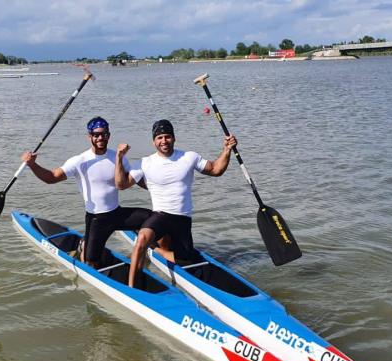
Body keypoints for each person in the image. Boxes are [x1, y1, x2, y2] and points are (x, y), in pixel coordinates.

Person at [115, 119, 237, 288]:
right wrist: (119, 158)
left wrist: (227, 149)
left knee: (184, 260)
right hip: (160, 216)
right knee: (142, 239)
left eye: (167, 137)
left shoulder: (189, 157)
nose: (163, 141)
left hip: (182, 219)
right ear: (153, 141)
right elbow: (121, 184)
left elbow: (216, 170)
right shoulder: (145, 162)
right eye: (159, 138)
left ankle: (157, 250)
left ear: (173, 138)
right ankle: (133, 287)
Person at [20, 116, 151, 268]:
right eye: (96, 134)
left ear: (109, 135)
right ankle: (84, 245)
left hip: (117, 213)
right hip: (96, 219)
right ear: (90, 136)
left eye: (104, 134)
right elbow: (52, 177)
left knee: (153, 220)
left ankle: (148, 252)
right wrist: (32, 165)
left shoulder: (117, 157)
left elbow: (136, 180)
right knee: (91, 262)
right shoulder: (80, 160)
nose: (100, 137)